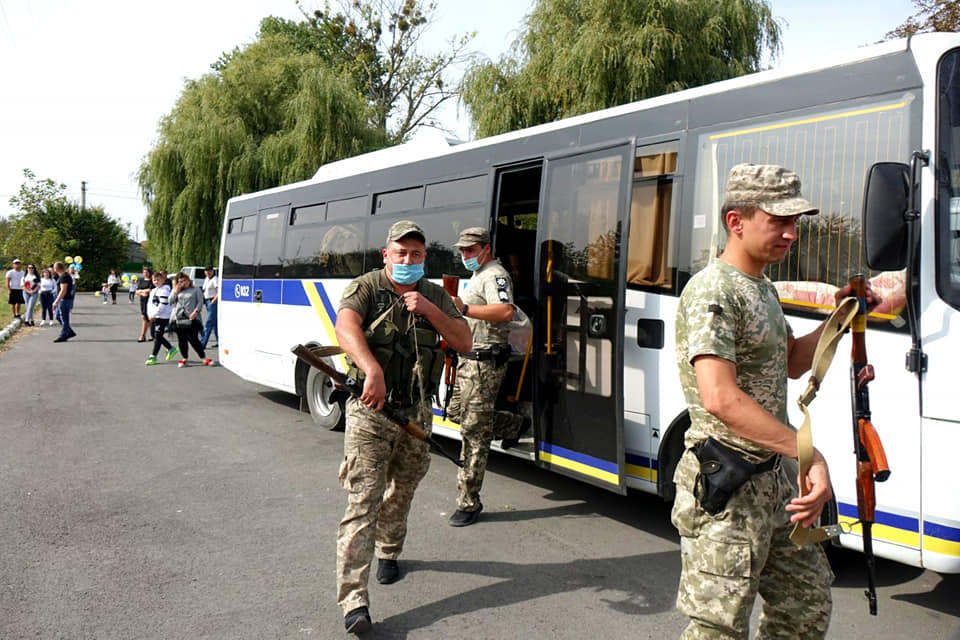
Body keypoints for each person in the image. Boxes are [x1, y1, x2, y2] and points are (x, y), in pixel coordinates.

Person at [671, 163, 881, 639]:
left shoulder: (760, 287)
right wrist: (809, 454)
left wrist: (842, 314)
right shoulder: (714, 290)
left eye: (795, 222)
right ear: (736, 221)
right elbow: (720, 398)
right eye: (778, 221)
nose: (791, 233)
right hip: (727, 484)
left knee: (805, 603)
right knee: (719, 627)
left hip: (772, 481)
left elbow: (790, 361)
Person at [334, 220, 471, 634]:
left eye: (416, 254)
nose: (408, 259)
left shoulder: (434, 294)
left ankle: (389, 551)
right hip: (371, 411)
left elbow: (464, 341)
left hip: (415, 413)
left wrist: (430, 310)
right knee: (363, 500)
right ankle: (354, 602)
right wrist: (371, 369)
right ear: (386, 255)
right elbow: (345, 327)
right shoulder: (367, 287)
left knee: (403, 489)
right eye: (400, 253)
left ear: (424, 257)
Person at [445, 227, 529, 527]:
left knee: (474, 432)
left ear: (486, 248)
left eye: (470, 249)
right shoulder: (478, 274)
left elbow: (505, 311)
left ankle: (468, 502)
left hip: (485, 363)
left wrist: (465, 308)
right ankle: (515, 424)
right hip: (467, 360)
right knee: (454, 412)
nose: (465, 254)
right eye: (462, 250)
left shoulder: (495, 275)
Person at [169, 272, 212, 367]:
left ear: (189, 280)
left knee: (193, 339)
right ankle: (184, 357)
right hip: (179, 318)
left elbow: (200, 302)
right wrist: (175, 291)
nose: (183, 283)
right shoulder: (176, 290)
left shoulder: (196, 289)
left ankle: (203, 357)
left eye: (185, 280)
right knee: (182, 340)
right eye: (180, 282)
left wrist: (196, 312)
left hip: (192, 318)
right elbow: (170, 301)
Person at [144, 272, 178, 365]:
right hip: (153, 317)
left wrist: (154, 315)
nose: (156, 282)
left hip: (162, 317)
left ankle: (153, 356)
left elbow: (162, 306)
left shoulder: (165, 291)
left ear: (163, 280)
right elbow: (149, 304)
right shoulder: (153, 291)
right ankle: (171, 349)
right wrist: (149, 315)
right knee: (154, 335)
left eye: (158, 280)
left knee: (158, 336)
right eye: (154, 280)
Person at [51, 261, 76, 342]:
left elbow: (63, 290)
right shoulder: (62, 276)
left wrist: (56, 301)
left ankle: (64, 334)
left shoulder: (64, 277)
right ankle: (69, 331)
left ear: (56, 268)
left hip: (64, 300)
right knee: (58, 316)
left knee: (64, 317)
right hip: (63, 299)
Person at [200, 266, 219, 348]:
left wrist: (213, 301)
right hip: (207, 301)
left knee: (208, 322)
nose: (208, 272)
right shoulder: (207, 279)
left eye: (209, 271)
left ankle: (203, 343)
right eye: (206, 271)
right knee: (215, 323)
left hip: (213, 301)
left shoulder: (215, 279)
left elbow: (218, 292)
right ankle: (219, 341)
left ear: (212, 271)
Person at [136, 267, 155, 342]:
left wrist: (143, 291)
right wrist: (142, 292)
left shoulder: (151, 281)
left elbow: (150, 289)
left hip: (150, 301)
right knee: (145, 317)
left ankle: (143, 335)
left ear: (149, 273)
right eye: (144, 272)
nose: (145, 274)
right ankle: (151, 335)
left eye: (146, 272)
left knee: (147, 318)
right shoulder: (141, 280)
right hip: (143, 301)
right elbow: (137, 291)